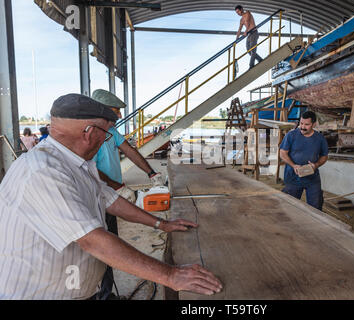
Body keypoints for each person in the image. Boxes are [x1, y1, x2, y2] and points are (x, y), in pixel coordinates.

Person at [0, 93, 222, 299]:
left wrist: (160, 224)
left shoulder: (76, 164)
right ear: (89, 132)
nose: (107, 141)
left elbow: (110, 199)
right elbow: (92, 240)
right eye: (106, 134)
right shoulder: (42, 171)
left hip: (73, 289)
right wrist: (170, 276)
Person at [90, 89, 161, 299]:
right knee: (99, 247)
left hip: (111, 197)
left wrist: (151, 172)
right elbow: (89, 167)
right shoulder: (90, 134)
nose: (120, 116)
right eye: (116, 111)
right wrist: (116, 186)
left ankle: (106, 292)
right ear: (102, 110)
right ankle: (100, 294)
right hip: (96, 197)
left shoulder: (112, 131)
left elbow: (129, 150)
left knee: (111, 244)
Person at [279, 111, 328, 210]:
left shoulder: (320, 138)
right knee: (289, 206)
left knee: (316, 207)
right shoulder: (291, 135)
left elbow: (324, 156)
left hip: (312, 177)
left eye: (306, 124)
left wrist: (316, 165)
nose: (302, 127)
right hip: (293, 177)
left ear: (314, 124)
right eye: (301, 123)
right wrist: (294, 165)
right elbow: (282, 153)